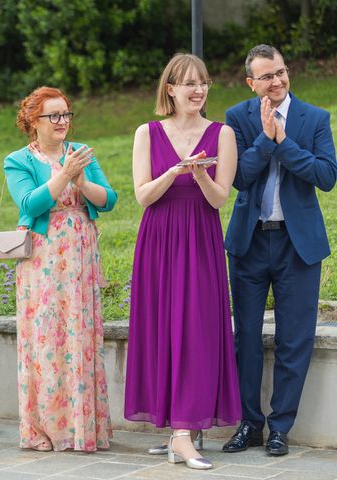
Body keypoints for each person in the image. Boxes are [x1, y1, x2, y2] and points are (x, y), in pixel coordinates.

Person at [124, 53, 241, 470]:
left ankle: (184, 432)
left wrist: (201, 174)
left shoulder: (222, 133)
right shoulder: (147, 132)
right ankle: (178, 430)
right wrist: (173, 173)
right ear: (169, 89)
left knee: (197, 330)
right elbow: (142, 196)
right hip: (159, 239)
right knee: (163, 330)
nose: (198, 90)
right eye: (189, 83)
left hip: (201, 238)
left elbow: (219, 199)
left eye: (203, 82)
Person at [223, 44, 337, 457]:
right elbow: (238, 177)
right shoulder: (237, 118)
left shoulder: (314, 118)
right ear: (252, 83)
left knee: (295, 340)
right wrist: (266, 142)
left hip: (298, 243)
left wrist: (284, 141)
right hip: (249, 243)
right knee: (246, 338)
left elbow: (326, 176)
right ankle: (250, 423)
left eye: (282, 72)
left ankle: (280, 428)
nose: (278, 81)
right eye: (267, 76)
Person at [4, 86, 117, 452]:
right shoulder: (18, 160)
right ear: (32, 122)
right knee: (46, 337)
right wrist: (64, 175)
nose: (62, 122)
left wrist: (83, 181)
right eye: (53, 116)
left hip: (80, 252)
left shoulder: (81, 153)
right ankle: (47, 428)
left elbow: (109, 199)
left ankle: (84, 427)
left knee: (80, 336)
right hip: (42, 257)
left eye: (66, 114)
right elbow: (30, 203)